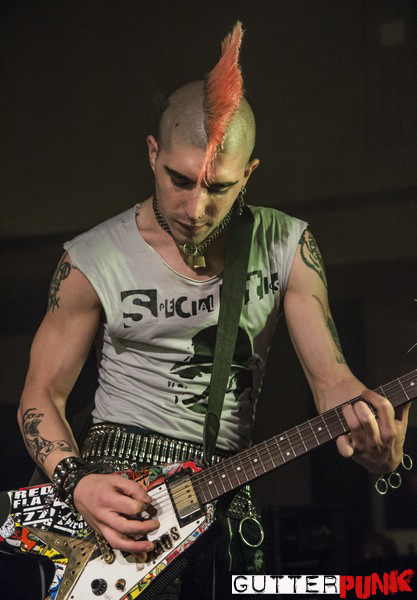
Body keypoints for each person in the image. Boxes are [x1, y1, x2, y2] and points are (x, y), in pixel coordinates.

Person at [17, 21, 409, 599]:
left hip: (223, 488)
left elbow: (333, 382)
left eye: (218, 187)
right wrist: (76, 483)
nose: (195, 207)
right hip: (112, 486)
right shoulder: (91, 258)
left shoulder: (287, 245)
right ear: (152, 154)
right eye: (179, 179)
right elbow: (41, 394)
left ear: (249, 173)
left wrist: (377, 445)